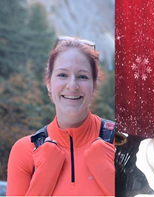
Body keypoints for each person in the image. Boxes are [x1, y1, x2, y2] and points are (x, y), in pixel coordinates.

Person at [6, 37, 115, 196]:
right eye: (63, 75)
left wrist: (109, 176)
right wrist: (44, 176)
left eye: (82, 77)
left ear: (94, 85)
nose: (72, 85)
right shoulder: (24, 151)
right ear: (48, 82)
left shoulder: (120, 143)